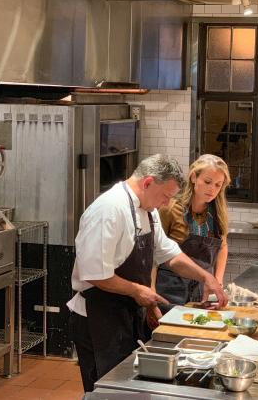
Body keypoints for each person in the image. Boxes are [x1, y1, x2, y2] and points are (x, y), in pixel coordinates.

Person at [67, 154, 227, 392]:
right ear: (148, 182)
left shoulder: (148, 211)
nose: (166, 204)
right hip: (98, 318)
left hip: (125, 314)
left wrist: (206, 277)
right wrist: (137, 290)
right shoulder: (109, 209)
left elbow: (170, 254)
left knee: (127, 389)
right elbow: (94, 273)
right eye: (165, 196)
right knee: (106, 392)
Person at [149, 154, 231, 321]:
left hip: (202, 293)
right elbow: (152, 254)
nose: (212, 189)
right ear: (194, 177)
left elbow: (222, 246)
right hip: (170, 292)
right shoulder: (170, 208)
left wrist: (217, 282)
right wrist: (151, 299)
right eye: (208, 182)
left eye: (218, 185)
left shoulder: (217, 213)